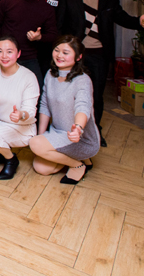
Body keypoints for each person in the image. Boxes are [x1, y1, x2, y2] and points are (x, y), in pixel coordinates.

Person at [57, 0, 144, 146]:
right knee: (70, 93)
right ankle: (69, 129)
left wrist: (139, 22)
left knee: (96, 94)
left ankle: (94, 131)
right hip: (74, 55)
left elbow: (122, 18)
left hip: (99, 54)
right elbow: (59, 23)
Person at [29, 36, 100, 184]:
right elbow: (45, 105)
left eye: (65, 52)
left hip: (79, 138)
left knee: (34, 144)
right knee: (41, 167)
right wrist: (41, 135)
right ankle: (80, 160)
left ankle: (77, 165)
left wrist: (78, 128)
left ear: (78, 57)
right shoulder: (50, 74)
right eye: (57, 50)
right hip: (58, 133)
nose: (59, 55)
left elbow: (83, 106)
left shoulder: (82, 80)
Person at [0, 36, 40, 180]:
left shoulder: (28, 77)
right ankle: (5, 151)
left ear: (18, 53)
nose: (4, 56)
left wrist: (21, 114)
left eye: (9, 52)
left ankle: (10, 160)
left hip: (20, 127)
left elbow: (30, 111)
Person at [0, 0, 58, 83]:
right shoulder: (7, 1)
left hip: (29, 57)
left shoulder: (47, 8)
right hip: (4, 55)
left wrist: (39, 37)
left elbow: (53, 35)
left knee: (37, 89)